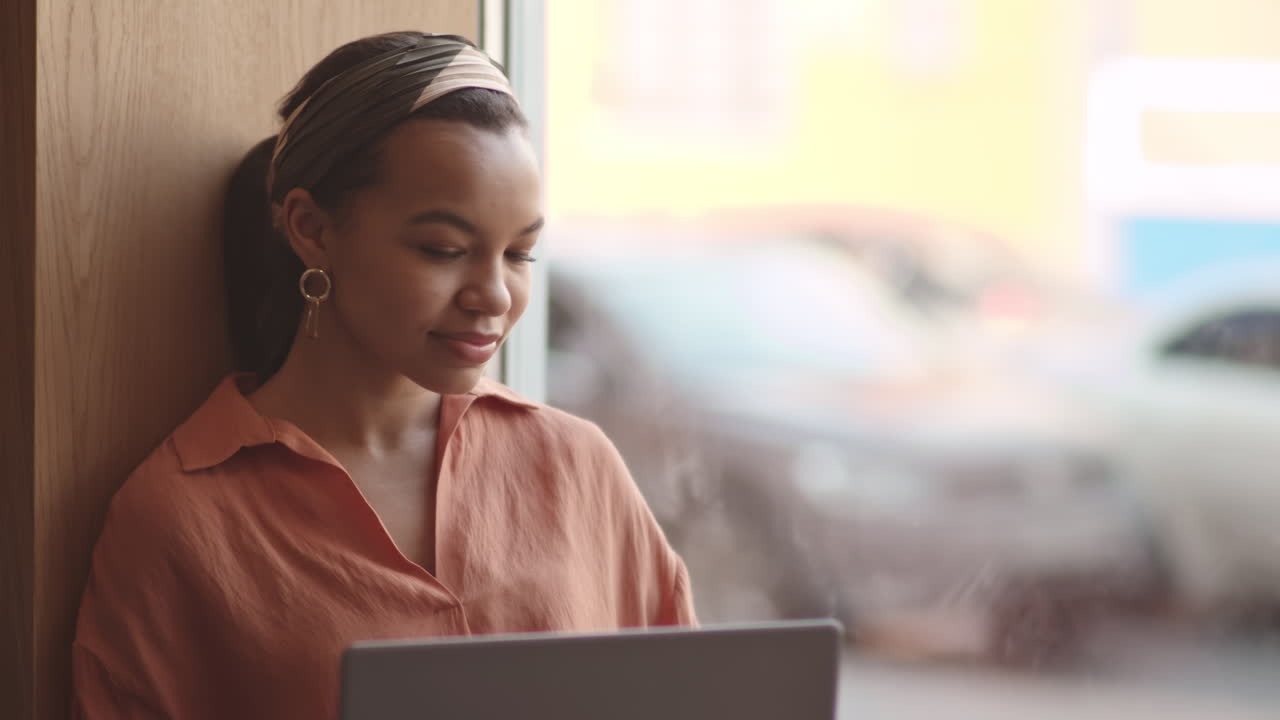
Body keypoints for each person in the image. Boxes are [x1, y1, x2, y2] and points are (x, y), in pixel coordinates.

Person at [72, 32, 696, 720]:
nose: (494, 295)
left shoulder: (577, 465)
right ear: (311, 228)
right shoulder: (180, 521)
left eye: (521, 254)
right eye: (444, 249)